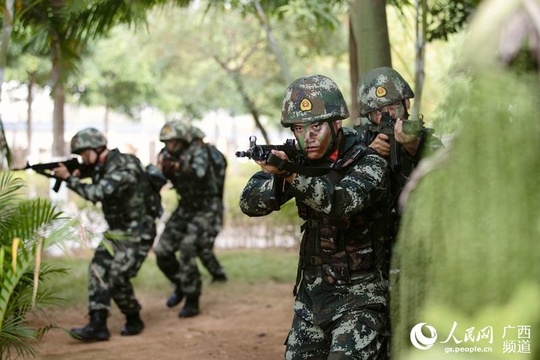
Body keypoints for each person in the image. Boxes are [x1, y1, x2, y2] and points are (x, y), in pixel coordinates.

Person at [240, 75, 394, 359]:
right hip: (312, 300)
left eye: (316, 126)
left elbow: (340, 202)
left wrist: (289, 173)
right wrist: (279, 178)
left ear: (336, 123)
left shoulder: (369, 162)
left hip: (359, 299)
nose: (307, 137)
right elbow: (249, 203)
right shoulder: (297, 161)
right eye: (299, 128)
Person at [53, 128, 157, 341]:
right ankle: (97, 325)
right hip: (116, 231)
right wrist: (74, 172)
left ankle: (133, 316)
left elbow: (97, 193)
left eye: (83, 153)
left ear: (96, 149)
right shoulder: (103, 165)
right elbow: (93, 174)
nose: (82, 158)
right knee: (98, 270)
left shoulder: (123, 166)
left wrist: (69, 179)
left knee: (118, 276)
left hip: (137, 231)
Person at [154, 121, 227, 318]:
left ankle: (192, 297)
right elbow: (159, 177)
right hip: (185, 206)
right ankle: (180, 284)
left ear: (182, 140)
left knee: (188, 248)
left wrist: (177, 166)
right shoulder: (167, 154)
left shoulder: (199, 151)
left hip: (206, 208)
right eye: (166, 142)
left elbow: (199, 173)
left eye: (173, 142)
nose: (169, 146)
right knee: (162, 250)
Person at [355, 66, 444, 209]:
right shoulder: (359, 140)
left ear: (406, 103)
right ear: (369, 115)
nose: (388, 114)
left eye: (393, 105)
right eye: (378, 111)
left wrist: (414, 146)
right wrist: (369, 154)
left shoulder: (423, 137)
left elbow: (447, 170)